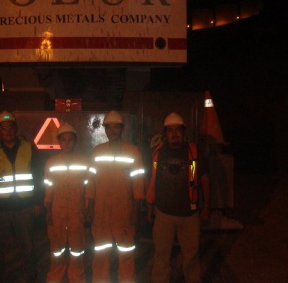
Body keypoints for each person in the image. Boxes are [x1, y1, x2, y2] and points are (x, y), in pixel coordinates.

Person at [146, 112, 211, 283]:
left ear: (184, 132)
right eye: (170, 130)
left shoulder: (194, 152)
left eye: (178, 130)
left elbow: (203, 179)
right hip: (163, 214)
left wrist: (206, 207)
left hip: (189, 214)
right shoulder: (157, 153)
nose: (174, 134)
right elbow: (152, 180)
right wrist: (149, 207)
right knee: (161, 256)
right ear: (165, 133)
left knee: (191, 257)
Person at [0, 110, 43, 282]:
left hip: (24, 207)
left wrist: (38, 201)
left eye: (10, 127)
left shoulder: (28, 148)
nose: (8, 131)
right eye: (4, 128)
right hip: (0, 210)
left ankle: (30, 278)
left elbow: (38, 176)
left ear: (16, 129)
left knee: (28, 248)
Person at [85, 110, 146, 282]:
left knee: (126, 252)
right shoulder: (97, 152)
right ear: (105, 130)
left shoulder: (133, 152)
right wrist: (89, 207)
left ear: (122, 129)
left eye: (116, 127)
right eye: (109, 128)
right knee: (101, 253)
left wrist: (135, 211)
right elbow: (90, 181)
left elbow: (138, 184)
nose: (112, 131)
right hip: (100, 212)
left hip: (124, 212)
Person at [44, 122, 89, 282]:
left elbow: (87, 188)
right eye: (64, 139)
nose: (67, 143)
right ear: (59, 142)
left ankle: (77, 277)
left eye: (70, 139)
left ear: (75, 141)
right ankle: (55, 277)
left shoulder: (84, 162)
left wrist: (87, 210)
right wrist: (48, 210)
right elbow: (49, 188)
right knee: (57, 249)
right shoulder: (51, 163)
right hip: (58, 212)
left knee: (77, 249)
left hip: (77, 213)